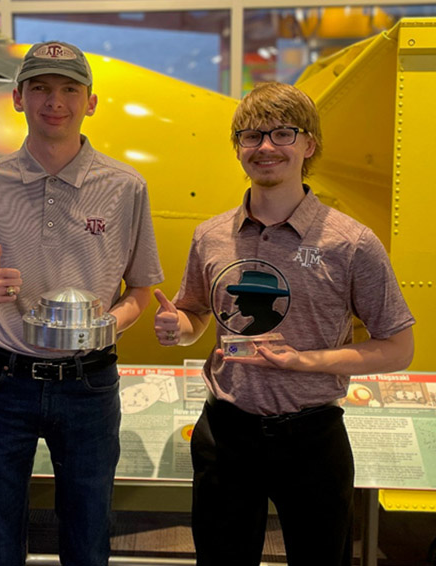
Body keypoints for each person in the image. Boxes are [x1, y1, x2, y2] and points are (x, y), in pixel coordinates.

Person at [153, 81, 415, 566]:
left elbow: (398, 348)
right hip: (226, 433)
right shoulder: (210, 236)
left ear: (309, 145)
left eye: (282, 134)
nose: (266, 147)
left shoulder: (351, 242)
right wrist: (179, 328)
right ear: (238, 148)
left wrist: (304, 362)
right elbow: (195, 313)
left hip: (312, 437)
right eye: (251, 136)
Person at [0, 41, 163, 566]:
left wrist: (103, 327)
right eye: (39, 88)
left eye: (69, 89)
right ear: (18, 98)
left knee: (88, 537)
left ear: (91, 102)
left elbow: (140, 292)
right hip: (0, 382)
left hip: (88, 383)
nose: (54, 101)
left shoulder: (125, 187)